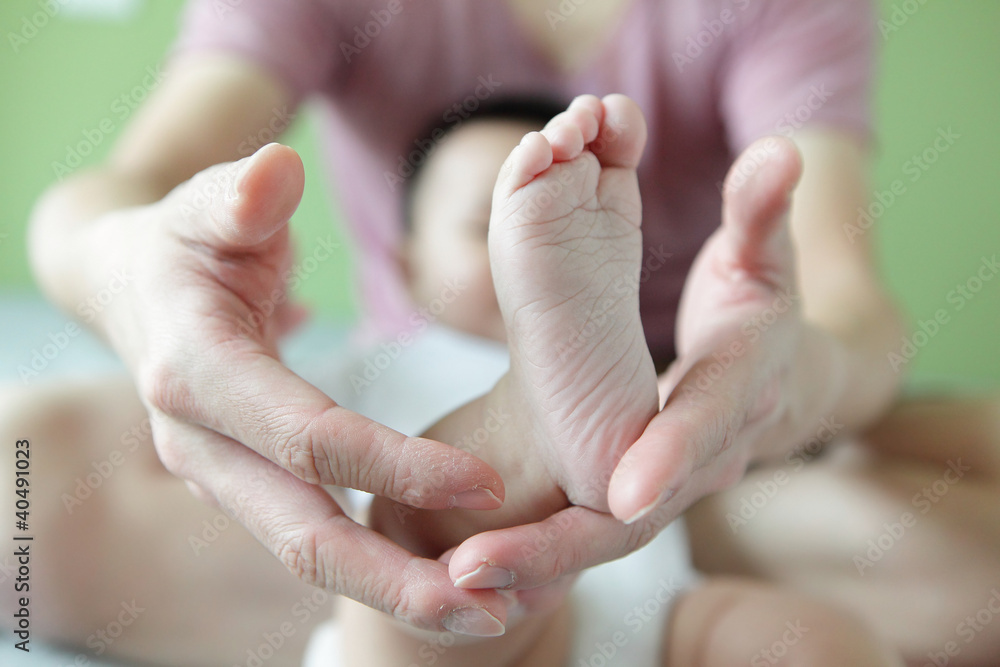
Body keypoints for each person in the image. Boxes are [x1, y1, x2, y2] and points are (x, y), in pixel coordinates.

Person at [25, 0, 903, 632]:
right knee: (22, 462)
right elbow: (111, 196)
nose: (503, 259)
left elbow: (845, 300)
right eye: (483, 225)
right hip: (428, 444)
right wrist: (135, 267)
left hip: (708, 422)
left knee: (428, 584)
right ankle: (542, 459)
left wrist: (792, 370)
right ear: (402, 262)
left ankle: (566, 474)